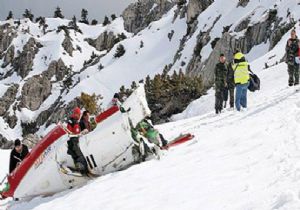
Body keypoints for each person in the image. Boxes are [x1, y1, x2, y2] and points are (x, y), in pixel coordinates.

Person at [66, 107, 88, 175]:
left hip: (72, 141)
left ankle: (79, 169)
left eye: (79, 114)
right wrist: (81, 133)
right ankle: (82, 170)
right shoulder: (74, 122)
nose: (78, 116)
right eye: (78, 114)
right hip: (74, 141)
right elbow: (76, 132)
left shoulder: (71, 120)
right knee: (79, 156)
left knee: (76, 156)